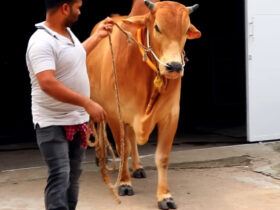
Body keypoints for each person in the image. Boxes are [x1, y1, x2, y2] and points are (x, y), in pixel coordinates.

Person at [25, 0, 114, 209]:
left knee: (73, 177)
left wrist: (98, 36)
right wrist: (87, 102)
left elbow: (74, 57)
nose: (80, 11)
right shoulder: (41, 42)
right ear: (65, 8)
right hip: (52, 122)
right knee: (60, 174)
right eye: (78, 7)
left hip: (77, 120)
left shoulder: (67, 34)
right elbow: (47, 82)